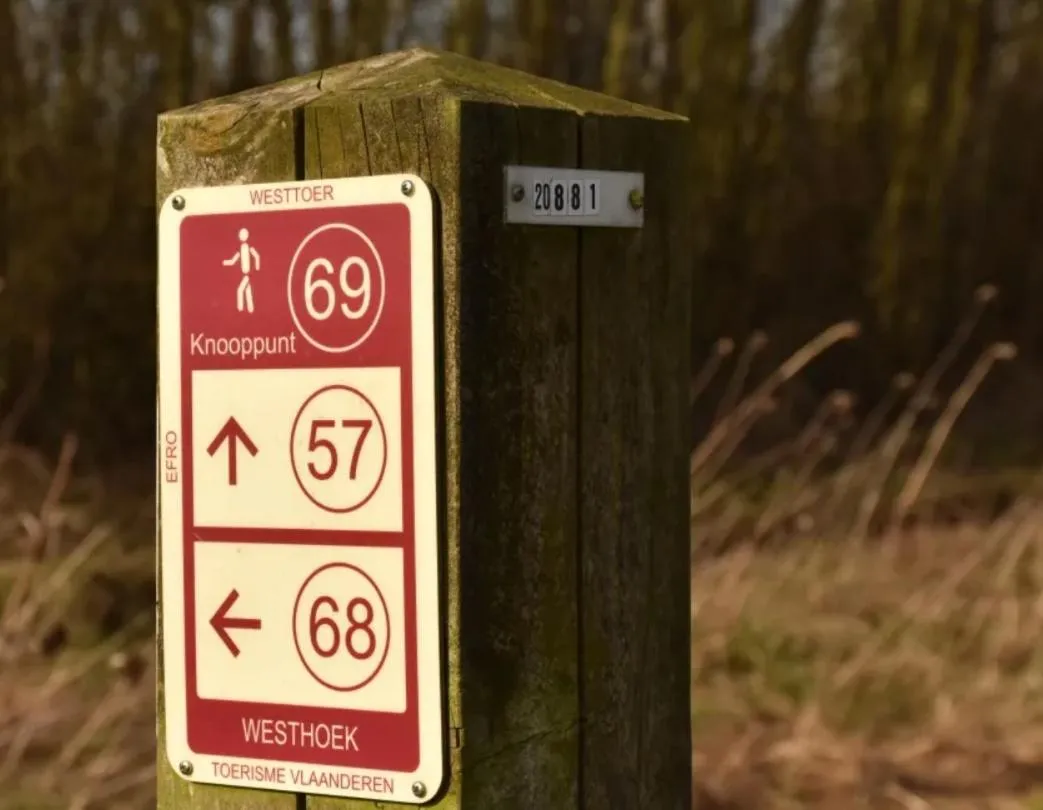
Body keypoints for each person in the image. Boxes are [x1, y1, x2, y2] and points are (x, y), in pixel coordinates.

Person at [222, 227, 260, 313]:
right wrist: (225, 262)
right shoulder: (240, 249)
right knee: (248, 291)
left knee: (240, 290)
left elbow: (256, 256)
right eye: (240, 235)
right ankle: (250, 309)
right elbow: (233, 260)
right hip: (244, 274)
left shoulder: (249, 248)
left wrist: (257, 268)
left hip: (248, 275)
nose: (240, 236)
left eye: (242, 235)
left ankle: (240, 309)